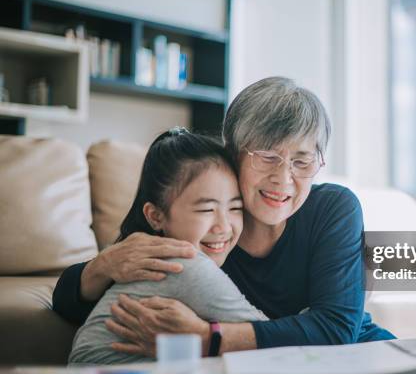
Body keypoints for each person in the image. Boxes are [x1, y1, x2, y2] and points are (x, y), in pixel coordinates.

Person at [53, 76, 395, 358]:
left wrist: (208, 338)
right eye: (267, 156)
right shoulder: (198, 222)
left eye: (302, 161)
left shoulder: (333, 207)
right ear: (232, 151)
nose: (284, 178)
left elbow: (337, 330)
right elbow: (73, 306)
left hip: (353, 354)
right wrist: (104, 264)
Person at [69, 129, 267, 365]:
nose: (224, 226)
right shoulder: (185, 264)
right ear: (155, 216)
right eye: (206, 209)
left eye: (235, 208)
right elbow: (270, 338)